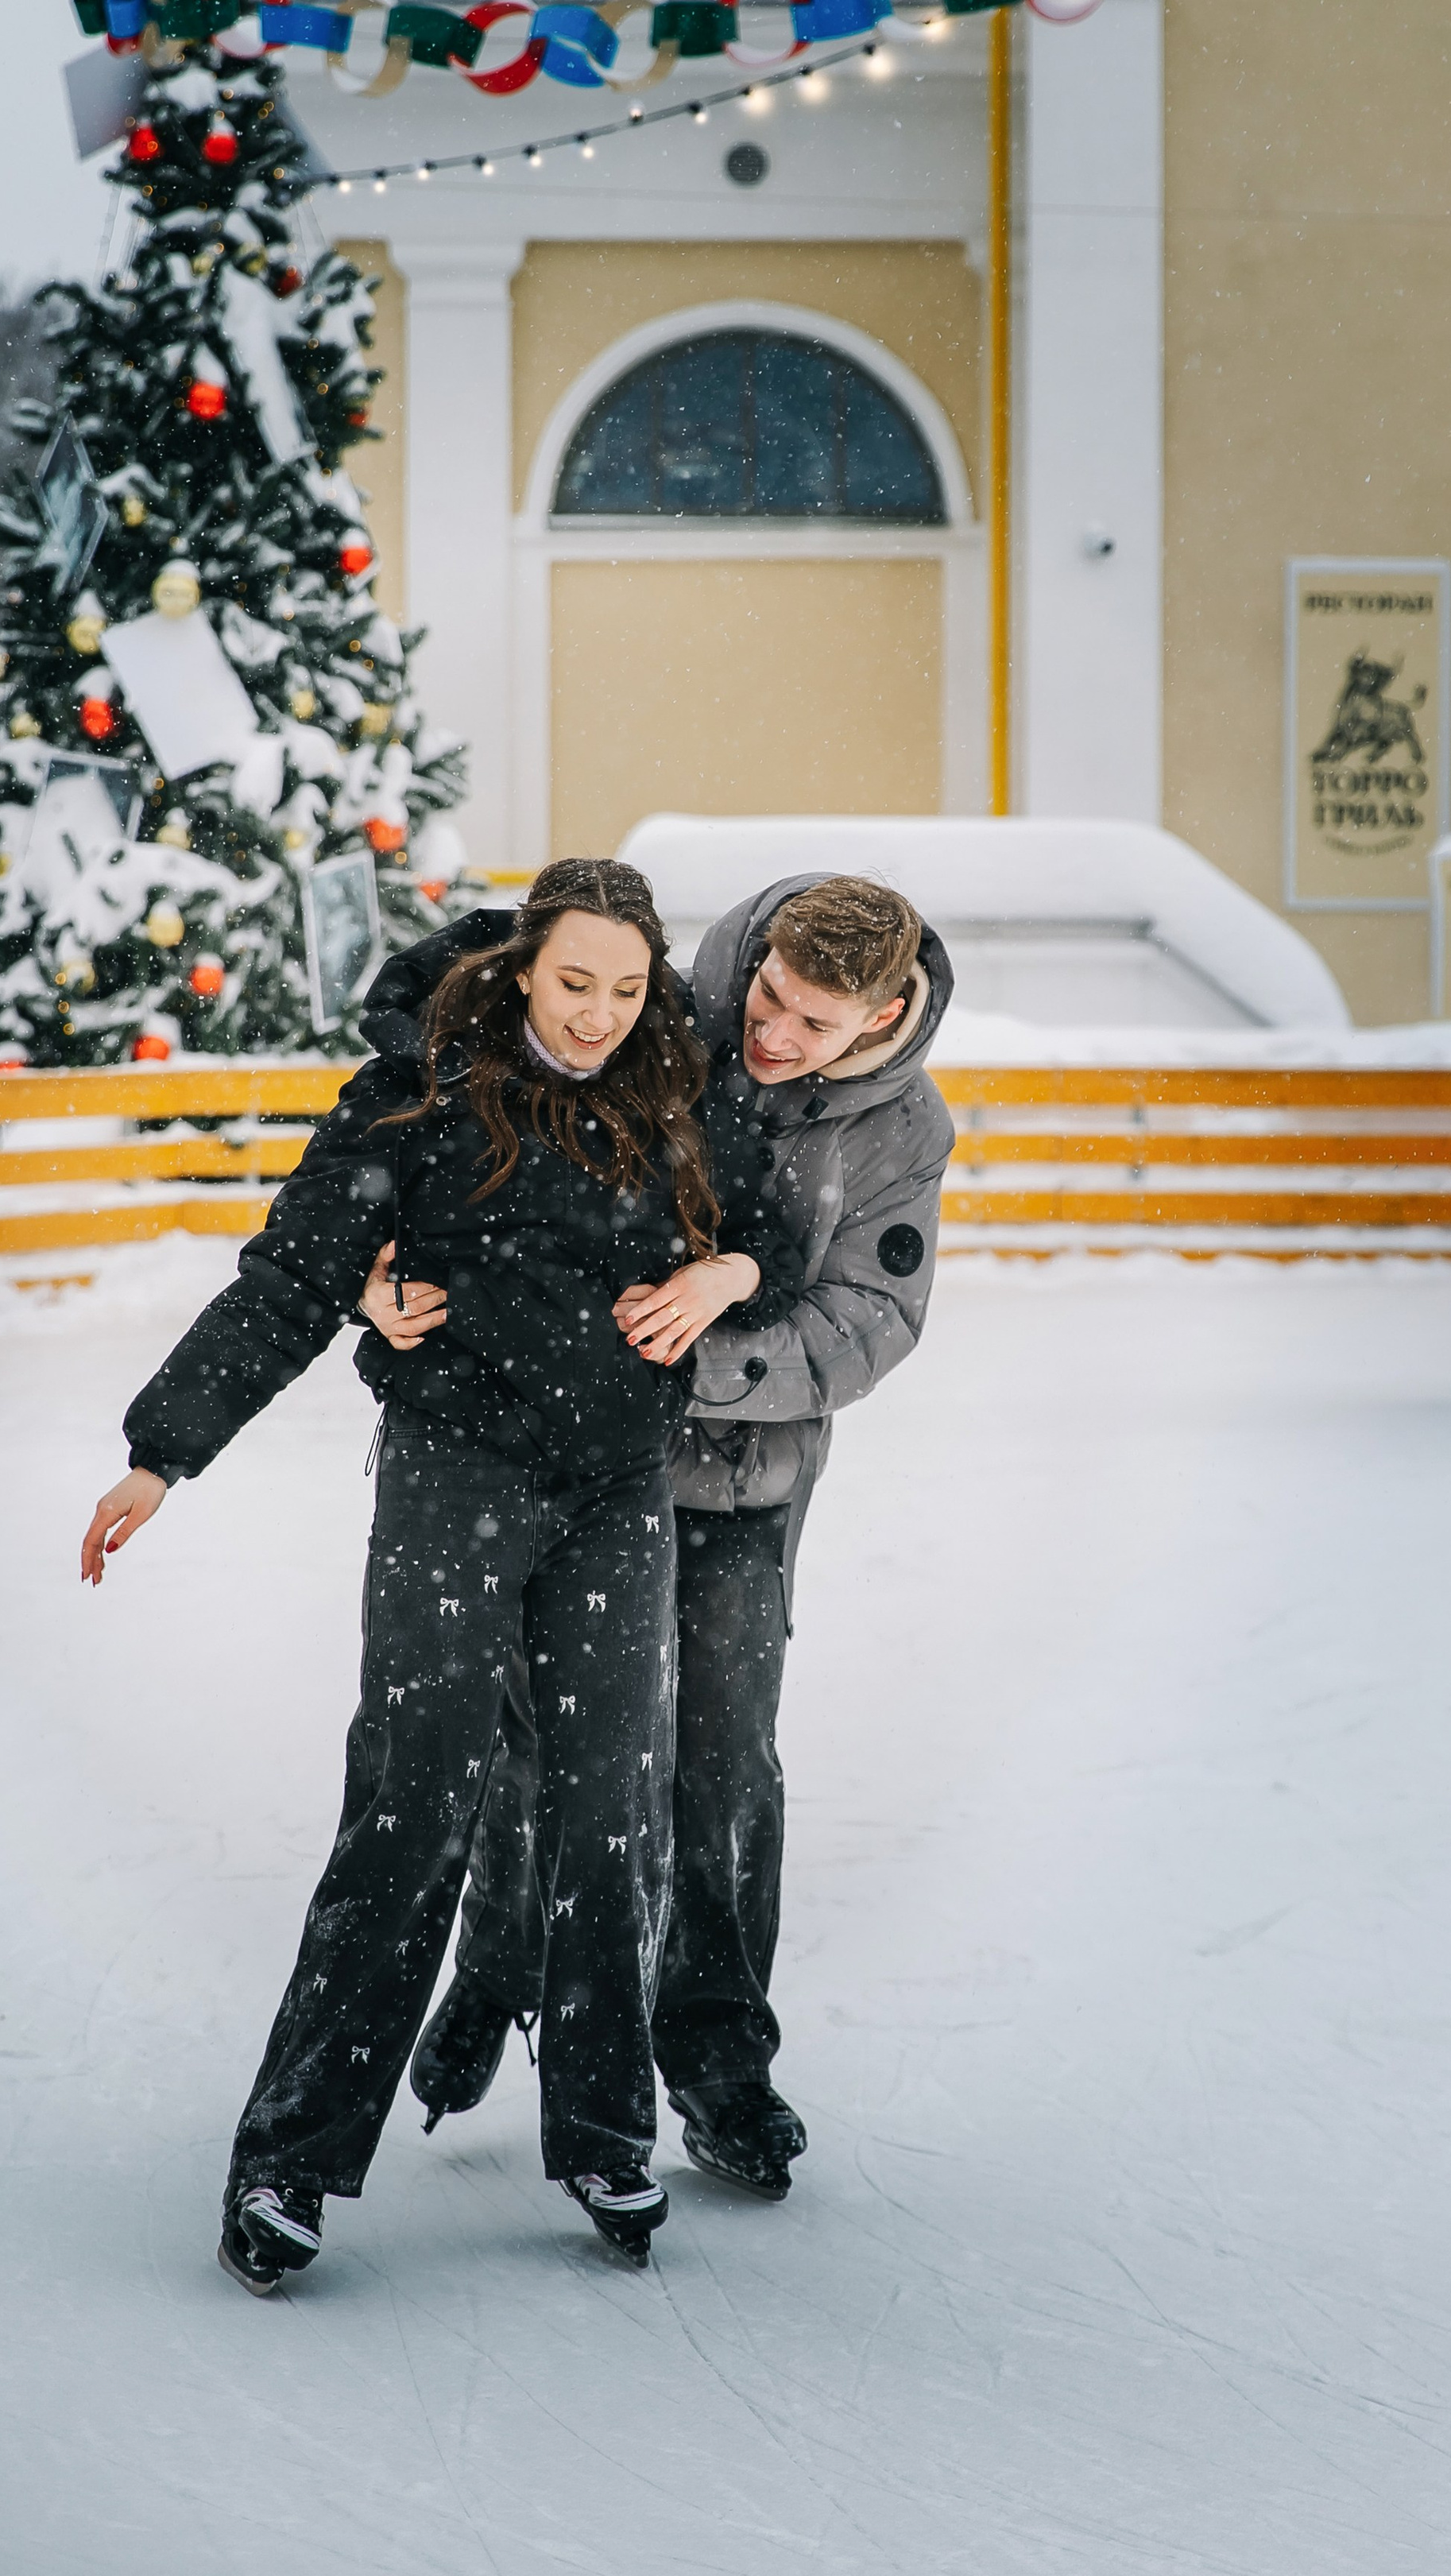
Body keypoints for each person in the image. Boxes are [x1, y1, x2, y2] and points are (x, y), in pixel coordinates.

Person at [76, 859, 800, 2284]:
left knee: (612, 1810)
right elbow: (292, 1273)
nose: (598, 1013)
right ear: (525, 964)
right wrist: (163, 1452)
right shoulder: (419, 1091)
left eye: (627, 987)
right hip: (456, 1471)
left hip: (614, 1491)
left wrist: (727, 1274)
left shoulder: (682, 1087)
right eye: (574, 980)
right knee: (415, 1792)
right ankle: (290, 2156)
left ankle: (606, 2128)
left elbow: (767, 1226)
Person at [392, 872, 956, 2199]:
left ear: (882, 1016)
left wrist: (691, 1359)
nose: (773, 1033)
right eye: (770, 996)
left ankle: (715, 2056)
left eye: (813, 1023)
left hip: (740, 1484)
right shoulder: (665, 1012)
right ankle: (499, 1968)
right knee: (544, 1738)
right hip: (578, 1458)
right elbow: (457, 1008)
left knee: (718, 1756)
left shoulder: (903, 1128)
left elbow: (872, 1321)